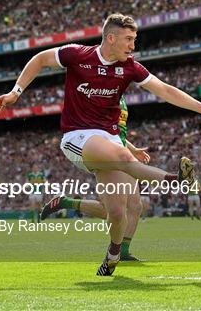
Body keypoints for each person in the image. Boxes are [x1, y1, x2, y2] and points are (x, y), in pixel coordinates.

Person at [0, 13, 201, 276]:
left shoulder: (130, 67)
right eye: (128, 39)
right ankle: (176, 180)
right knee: (124, 160)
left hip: (111, 141)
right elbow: (40, 59)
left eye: (134, 40)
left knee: (117, 211)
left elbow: (166, 90)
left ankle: (113, 254)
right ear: (111, 38)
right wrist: (15, 92)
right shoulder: (77, 55)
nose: (132, 46)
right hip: (78, 137)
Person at [40, 95, 150, 261]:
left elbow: (116, 132)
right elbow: (101, 132)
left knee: (135, 206)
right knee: (112, 211)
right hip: (108, 155)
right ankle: (66, 202)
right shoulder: (102, 93)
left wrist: (133, 149)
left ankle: (124, 252)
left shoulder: (120, 97)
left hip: (122, 152)